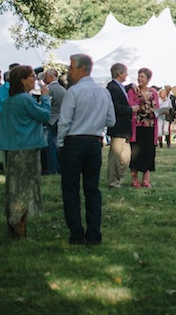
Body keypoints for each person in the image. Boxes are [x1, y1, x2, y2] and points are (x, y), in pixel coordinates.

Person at [58, 53, 115, 246]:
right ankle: (93, 234)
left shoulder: (73, 92)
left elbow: (64, 121)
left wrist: (60, 143)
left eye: (71, 68)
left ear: (81, 69)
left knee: (71, 188)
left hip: (74, 141)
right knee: (92, 188)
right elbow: (111, 120)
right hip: (94, 142)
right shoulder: (103, 92)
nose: (69, 72)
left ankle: (76, 233)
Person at [0, 65, 51, 238]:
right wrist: (45, 98)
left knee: (14, 188)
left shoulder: (9, 101)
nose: (35, 79)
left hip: (12, 148)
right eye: (31, 76)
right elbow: (44, 115)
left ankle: (15, 227)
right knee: (23, 189)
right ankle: (19, 229)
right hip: (25, 149)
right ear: (22, 80)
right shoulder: (25, 99)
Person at [127, 67, 160, 187]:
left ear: (148, 79)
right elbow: (130, 105)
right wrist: (141, 100)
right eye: (139, 76)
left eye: (142, 77)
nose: (140, 79)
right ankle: (134, 179)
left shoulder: (154, 92)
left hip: (150, 127)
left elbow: (157, 108)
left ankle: (146, 180)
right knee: (136, 154)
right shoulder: (133, 91)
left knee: (148, 153)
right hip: (137, 127)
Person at [105, 62, 132, 188]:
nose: (127, 74)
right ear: (120, 73)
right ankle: (113, 181)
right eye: (125, 72)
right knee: (115, 157)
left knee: (126, 157)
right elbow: (115, 107)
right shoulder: (112, 87)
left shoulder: (119, 87)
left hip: (124, 129)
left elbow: (124, 90)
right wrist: (130, 110)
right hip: (118, 127)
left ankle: (119, 178)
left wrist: (132, 85)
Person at [42, 69, 67, 176]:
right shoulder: (63, 90)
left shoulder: (49, 89)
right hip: (60, 119)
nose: (44, 78)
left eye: (46, 76)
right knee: (59, 145)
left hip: (51, 119)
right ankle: (60, 168)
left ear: (51, 77)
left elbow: (46, 104)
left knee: (50, 146)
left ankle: (51, 169)